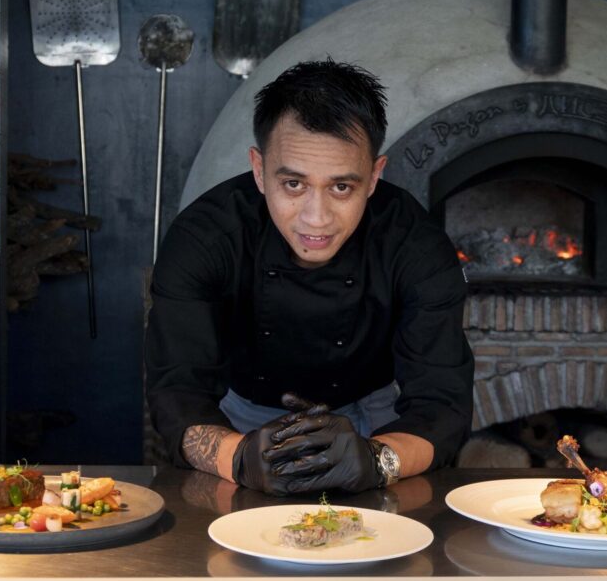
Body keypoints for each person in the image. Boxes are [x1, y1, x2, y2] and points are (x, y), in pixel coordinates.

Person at [146, 59, 473, 495]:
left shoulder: (415, 244)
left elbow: (443, 404)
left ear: (374, 177)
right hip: (240, 418)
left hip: (376, 417)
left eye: (341, 187)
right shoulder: (204, 239)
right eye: (294, 185)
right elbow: (177, 395)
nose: (316, 219)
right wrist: (240, 457)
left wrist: (376, 459)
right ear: (259, 170)